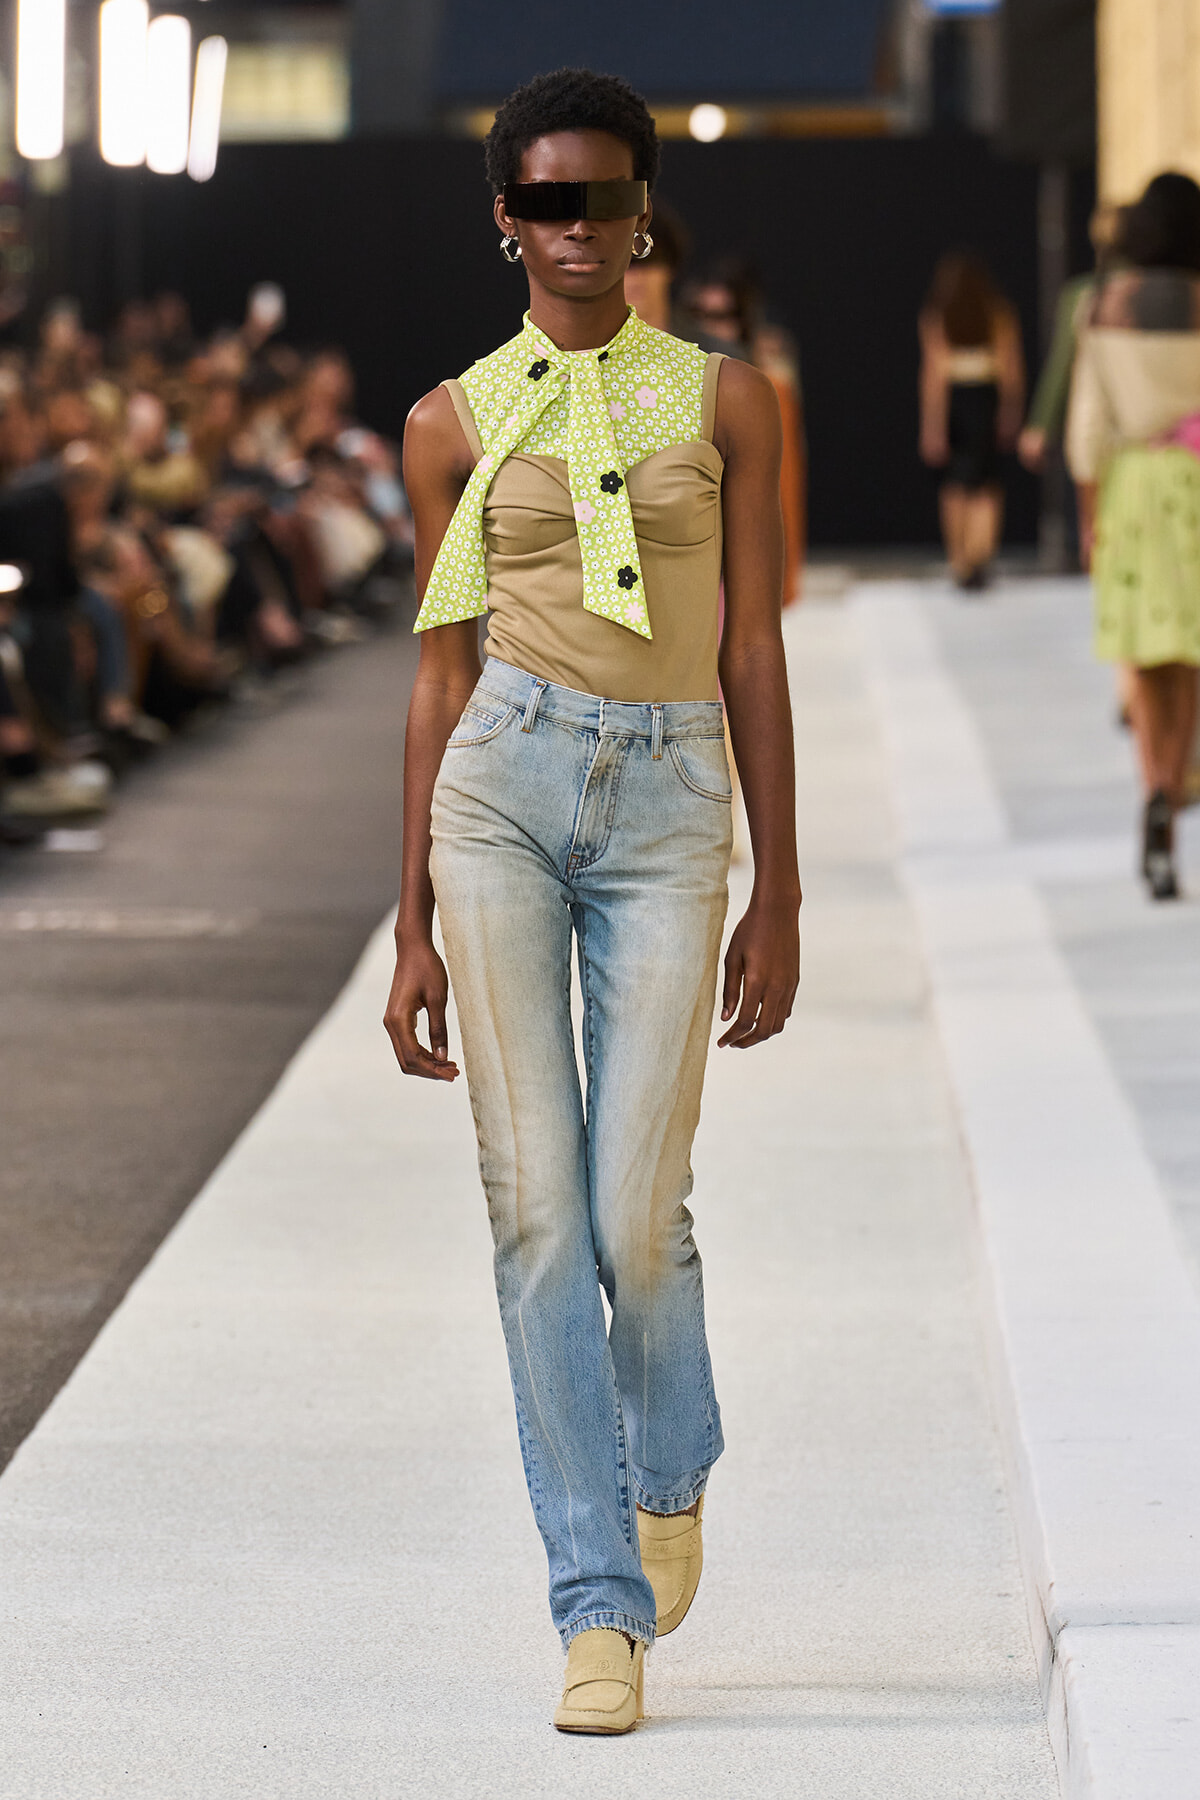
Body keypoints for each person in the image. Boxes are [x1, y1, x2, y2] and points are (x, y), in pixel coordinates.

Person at [383, 67, 801, 1734]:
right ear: (506, 218)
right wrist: (404, 913)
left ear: (642, 215)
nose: (578, 229)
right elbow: (433, 680)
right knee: (536, 1216)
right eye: (547, 201)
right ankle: (592, 1607)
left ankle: (668, 1457)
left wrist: (785, 886)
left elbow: (754, 644)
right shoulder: (449, 424)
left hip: (674, 798)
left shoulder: (728, 402)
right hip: (503, 790)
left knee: (637, 1211)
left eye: (604, 200)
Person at [1067, 171, 1200, 900]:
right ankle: (1178, 785)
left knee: (1144, 659)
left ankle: (1152, 791)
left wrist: (1093, 517)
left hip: (1135, 491)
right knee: (1189, 659)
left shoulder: (1105, 307)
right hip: (1197, 480)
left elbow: (1088, 431)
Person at [919, 252, 1025, 590]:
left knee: (955, 483)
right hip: (985, 397)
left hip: (954, 399)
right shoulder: (998, 313)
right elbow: (1012, 369)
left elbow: (933, 376)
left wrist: (932, 427)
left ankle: (959, 558)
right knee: (985, 483)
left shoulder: (937, 316)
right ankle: (981, 554)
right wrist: (1010, 412)